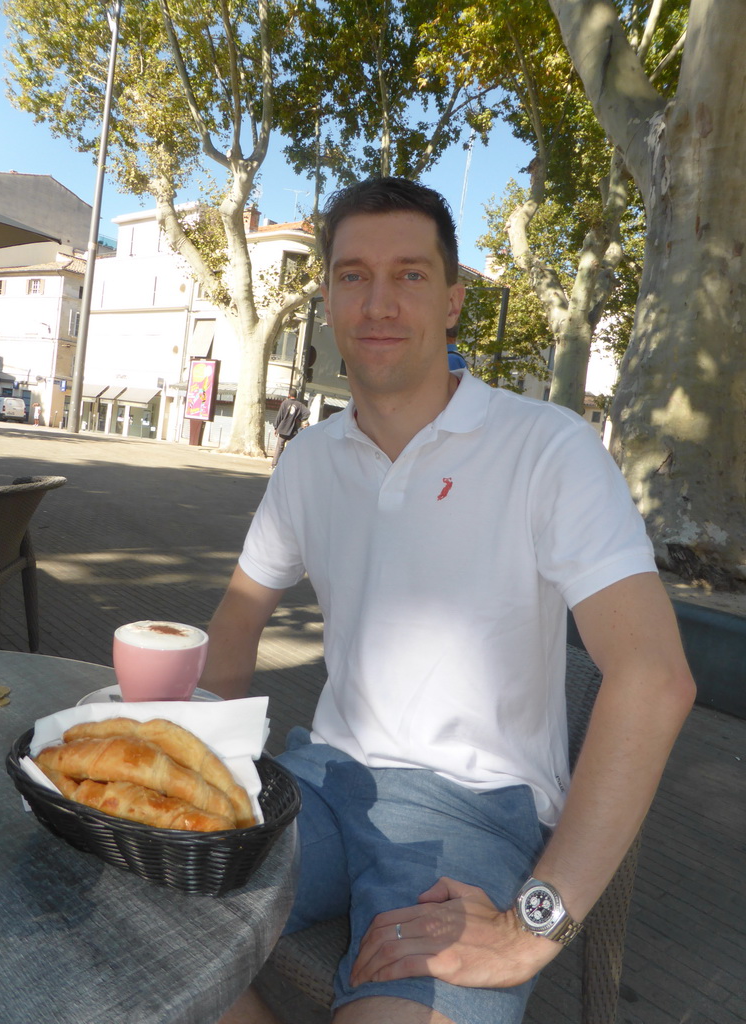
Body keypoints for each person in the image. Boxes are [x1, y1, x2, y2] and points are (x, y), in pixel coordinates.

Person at [203, 177, 695, 1024]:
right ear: (326, 300)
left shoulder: (550, 448)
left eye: (412, 274)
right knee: (135, 913)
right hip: (317, 782)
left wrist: (536, 924)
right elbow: (239, 615)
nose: (380, 301)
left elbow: (654, 679)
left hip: (474, 809)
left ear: (454, 299)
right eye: (353, 275)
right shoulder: (310, 461)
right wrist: (201, 758)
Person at [270, 389, 309, 468]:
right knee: (290, 448)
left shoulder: (285, 403)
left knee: (279, 447)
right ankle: (286, 465)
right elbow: (307, 412)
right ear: (296, 396)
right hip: (293, 430)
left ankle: (274, 465)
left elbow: (279, 415)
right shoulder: (299, 405)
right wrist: (300, 419)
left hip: (283, 428)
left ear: (289, 395)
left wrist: (276, 427)